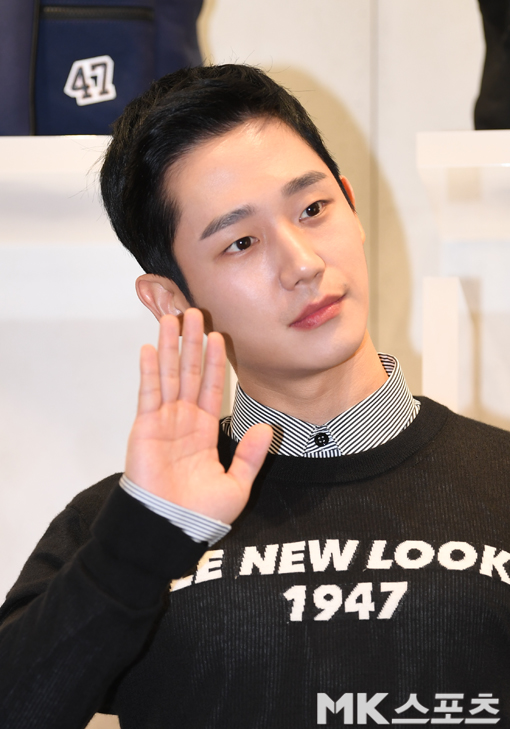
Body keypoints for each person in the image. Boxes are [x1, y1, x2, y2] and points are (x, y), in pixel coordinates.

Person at [1, 64, 510, 729]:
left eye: (313, 209)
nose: (301, 262)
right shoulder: (119, 522)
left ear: (352, 210)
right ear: (171, 299)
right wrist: (148, 532)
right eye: (241, 242)